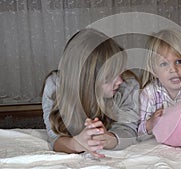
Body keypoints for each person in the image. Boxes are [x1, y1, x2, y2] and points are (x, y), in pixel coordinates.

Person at [41, 28, 140, 157]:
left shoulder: (128, 85)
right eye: (109, 77)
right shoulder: (55, 85)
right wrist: (76, 144)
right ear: (86, 81)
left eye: (120, 71)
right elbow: (54, 138)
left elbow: (129, 130)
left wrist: (106, 138)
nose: (120, 80)